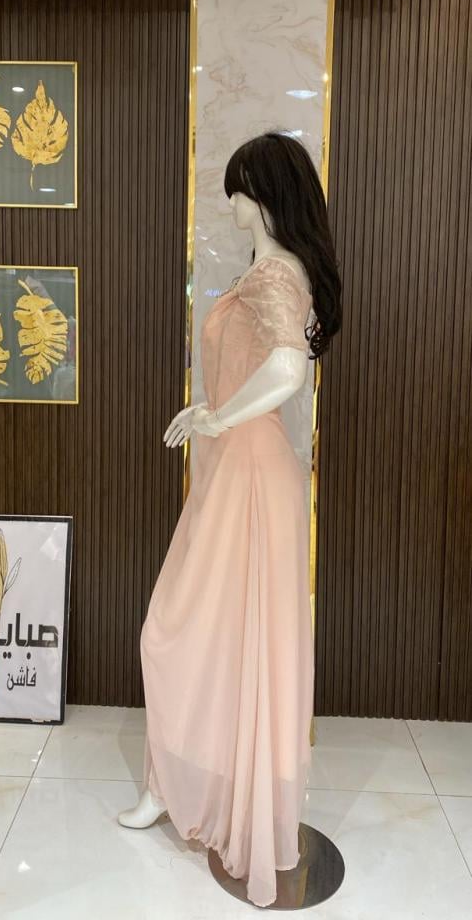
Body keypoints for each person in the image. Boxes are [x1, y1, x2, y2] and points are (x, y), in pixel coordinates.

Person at [118, 131, 342, 908]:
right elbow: (262, 365)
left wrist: (219, 417)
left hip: (249, 471)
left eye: (241, 188)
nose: (234, 202)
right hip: (238, 469)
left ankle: (182, 789)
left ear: (265, 194)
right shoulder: (270, 270)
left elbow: (286, 369)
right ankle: (172, 783)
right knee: (210, 632)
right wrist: (212, 410)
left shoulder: (277, 273)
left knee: (183, 627)